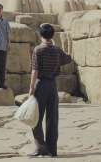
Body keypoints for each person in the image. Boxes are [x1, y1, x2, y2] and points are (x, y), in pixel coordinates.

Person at [29, 23, 72, 157]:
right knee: (52, 118)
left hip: (41, 85)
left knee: (36, 118)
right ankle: (52, 149)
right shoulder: (57, 50)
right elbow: (67, 59)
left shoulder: (38, 50)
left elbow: (35, 70)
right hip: (53, 86)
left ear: (40, 35)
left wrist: (31, 87)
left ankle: (41, 147)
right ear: (52, 35)